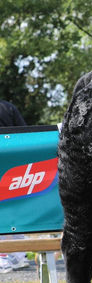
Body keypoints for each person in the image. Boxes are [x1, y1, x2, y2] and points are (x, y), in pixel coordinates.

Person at [0, 100, 30, 273]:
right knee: (13, 210)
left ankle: (4, 257)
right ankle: (18, 255)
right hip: (13, 165)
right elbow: (25, 134)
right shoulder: (9, 107)